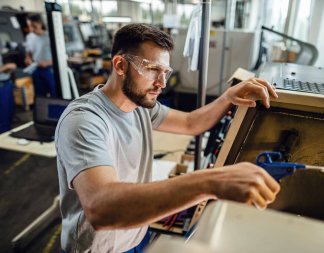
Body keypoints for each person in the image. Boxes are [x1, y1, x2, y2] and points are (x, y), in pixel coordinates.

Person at [56, 23, 280, 253]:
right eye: (153, 69)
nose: (162, 83)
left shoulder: (140, 106)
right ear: (120, 65)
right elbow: (101, 207)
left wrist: (227, 98)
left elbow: (190, 122)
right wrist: (211, 181)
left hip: (136, 235)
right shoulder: (84, 120)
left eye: (165, 72)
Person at [25, 14, 56, 97]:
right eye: (29, 26)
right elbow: (29, 53)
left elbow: (60, 56)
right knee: (39, 96)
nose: (31, 29)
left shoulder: (50, 36)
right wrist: (28, 58)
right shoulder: (29, 37)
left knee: (54, 94)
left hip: (50, 70)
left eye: (33, 26)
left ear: (40, 23)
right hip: (36, 69)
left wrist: (48, 63)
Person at [0, 52, 16, 133]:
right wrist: (7, 66)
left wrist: (6, 69)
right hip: (1, 86)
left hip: (7, 83)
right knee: (3, 117)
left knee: (9, 114)